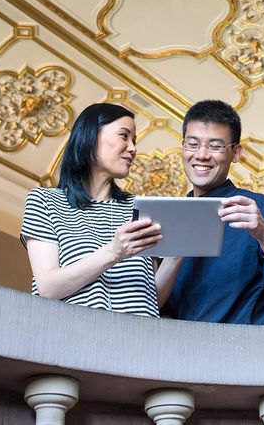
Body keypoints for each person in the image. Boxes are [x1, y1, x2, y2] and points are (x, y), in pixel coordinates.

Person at [161, 100, 264, 325]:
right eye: (193, 144)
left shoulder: (258, 208)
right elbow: (149, 306)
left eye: (215, 146)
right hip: (181, 353)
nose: (201, 155)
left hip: (247, 352)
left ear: (235, 153)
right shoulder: (166, 217)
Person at [20, 103, 179, 317]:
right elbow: (48, 288)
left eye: (134, 141)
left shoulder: (139, 209)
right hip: (74, 338)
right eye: (124, 136)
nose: (133, 148)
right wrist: (114, 252)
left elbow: (151, 300)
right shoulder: (46, 201)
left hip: (140, 340)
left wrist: (176, 257)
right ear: (91, 135)